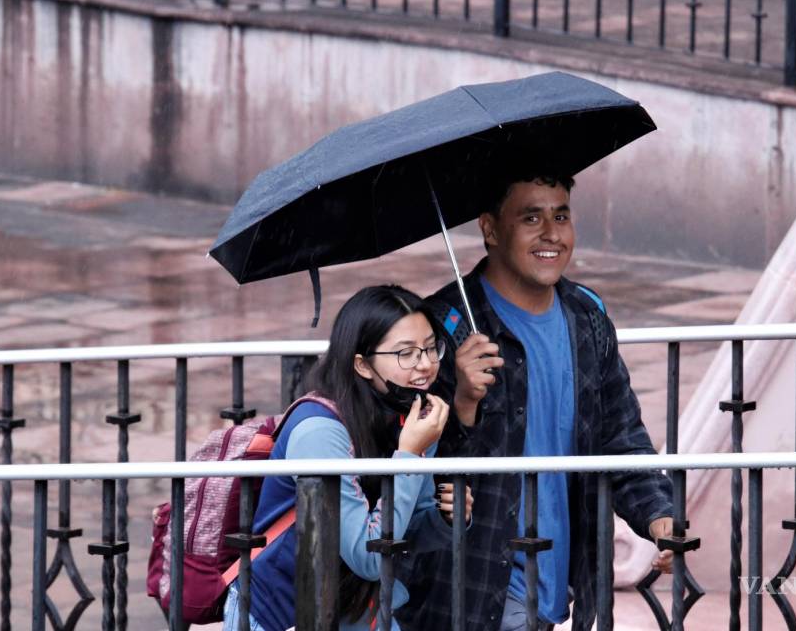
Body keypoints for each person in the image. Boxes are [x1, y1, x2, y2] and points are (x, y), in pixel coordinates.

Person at [397, 172, 675, 631]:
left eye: (561, 215)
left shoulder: (587, 318)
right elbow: (413, 476)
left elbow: (621, 439)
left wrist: (660, 516)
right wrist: (462, 400)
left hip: (558, 585)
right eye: (531, 217)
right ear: (490, 229)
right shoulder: (441, 327)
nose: (552, 234)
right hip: (474, 588)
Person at [223, 285, 469, 631]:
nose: (426, 365)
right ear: (362, 365)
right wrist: (410, 455)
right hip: (285, 615)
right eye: (406, 353)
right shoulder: (320, 432)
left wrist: (445, 519)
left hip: (358, 613)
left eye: (431, 348)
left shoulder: (405, 417)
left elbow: (403, 529)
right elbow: (369, 555)